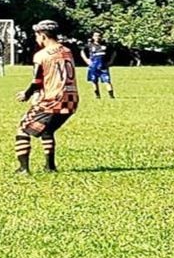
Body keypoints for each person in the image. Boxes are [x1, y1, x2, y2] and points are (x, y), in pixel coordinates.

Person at [14, 20, 79, 174]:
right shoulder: (68, 51)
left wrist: (26, 94)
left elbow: (37, 81)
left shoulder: (41, 55)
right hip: (71, 100)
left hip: (52, 100)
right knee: (47, 130)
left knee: (22, 129)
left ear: (42, 35)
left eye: (36, 36)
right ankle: (50, 167)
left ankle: (23, 169)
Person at [80, 31, 115, 99]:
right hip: (93, 67)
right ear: (93, 37)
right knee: (94, 81)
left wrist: (111, 61)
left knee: (107, 81)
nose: (97, 37)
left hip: (103, 67)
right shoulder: (90, 45)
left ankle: (111, 96)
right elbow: (82, 52)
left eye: (99, 36)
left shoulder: (105, 45)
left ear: (101, 37)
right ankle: (97, 96)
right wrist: (86, 60)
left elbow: (114, 52)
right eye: (96, 36)